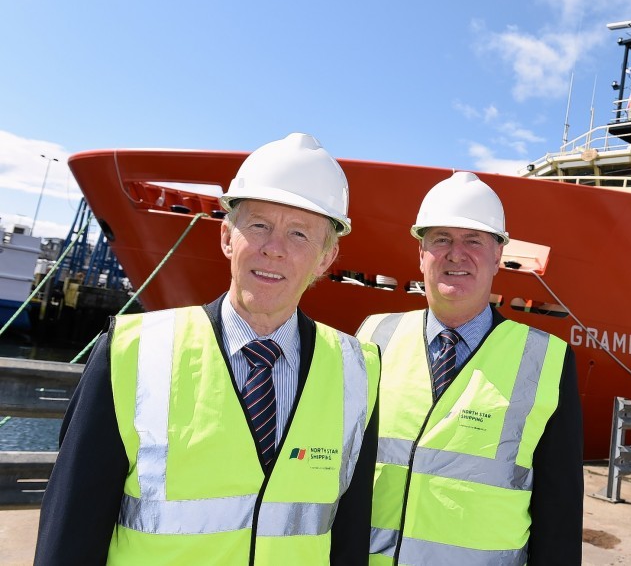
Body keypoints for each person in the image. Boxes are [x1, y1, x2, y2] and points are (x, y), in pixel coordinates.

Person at [35, 133, 381, 565]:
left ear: (327, 257)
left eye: (299, 234)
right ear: (226, 236)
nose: (274, 249)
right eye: (258, 225)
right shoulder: (133, 352)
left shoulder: (357, 370)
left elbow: (349, 536)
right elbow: (71, 532)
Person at [357, 171, 583, 565]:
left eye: (473, 241)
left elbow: (560, 510)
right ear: (421, 253)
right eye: (441, 239)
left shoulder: (547, 359)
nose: (455, 254)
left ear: (498, 256)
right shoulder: (372, 337)